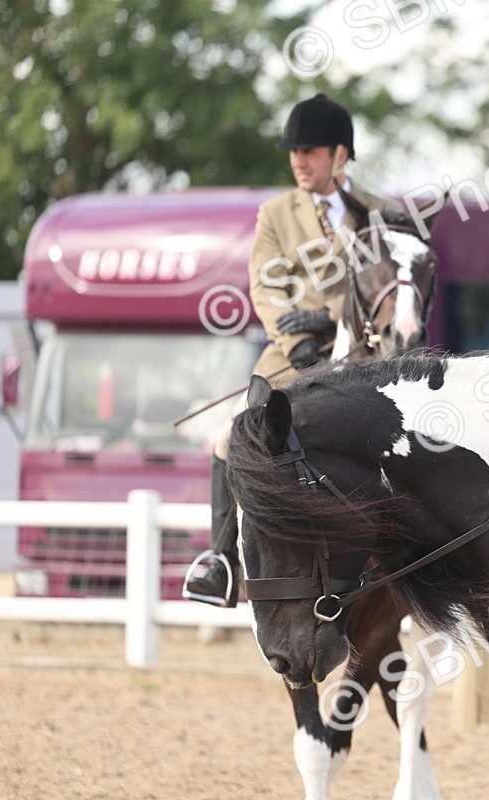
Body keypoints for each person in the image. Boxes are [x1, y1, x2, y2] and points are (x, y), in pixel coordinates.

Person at [184, 93, 403, 606]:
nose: (299, 161)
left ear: (340, 155)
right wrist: (297, 338)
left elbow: (392, 290)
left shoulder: (382, 215)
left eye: (311, 150)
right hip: (289, 357)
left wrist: (329, 318)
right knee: (224, 438)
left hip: (362, 362)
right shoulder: (276, 214)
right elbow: (266, 287)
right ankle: (220, 562)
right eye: (294, 151)